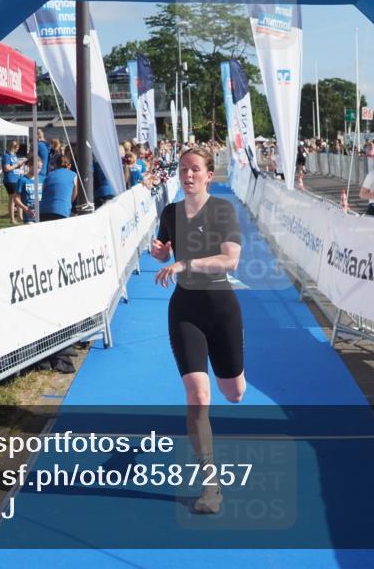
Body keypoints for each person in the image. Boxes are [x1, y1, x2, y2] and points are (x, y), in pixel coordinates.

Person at [150, 146, 244, 515]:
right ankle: (210, 486)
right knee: (198, 395)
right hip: (185, 309)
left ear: (209, 175)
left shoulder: (222, 210)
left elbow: (230, 259)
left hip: (221, 308)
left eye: (195, 170)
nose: (187, 175)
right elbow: (163, 251)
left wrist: (184, 263)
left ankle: (236, 374)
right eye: (183, 169)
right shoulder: (170, 212)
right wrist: (161, 253)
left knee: (233, 392)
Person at [40, 148, 78, 221]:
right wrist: (67, 203)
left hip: (43, 211)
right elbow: (74, 194)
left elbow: (43, 191)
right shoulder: (74, 175)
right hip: (62, 211)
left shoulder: (49, 175)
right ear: (69, 166)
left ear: (56, 165)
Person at [1, 140, 25, 224]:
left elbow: (14, 166)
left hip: (16, 179)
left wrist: (20, 165)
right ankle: (12, 219)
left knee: (18, 198)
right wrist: (17, 165)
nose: (17, 150)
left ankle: (20, 217)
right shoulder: (6, 156)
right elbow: (6, 168)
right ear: (13, 147)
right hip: (10, 180)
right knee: (13, 199)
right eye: (17, 148)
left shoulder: (14, 155)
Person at [12, 154, 41, 224]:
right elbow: (16, 198)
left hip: (41, 215)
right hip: (29, 217)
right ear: (30, 165)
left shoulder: (42, 179)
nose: (38, 170)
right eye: (37, 167)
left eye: (40, 167)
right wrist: (25, 209)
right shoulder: (22, 180)